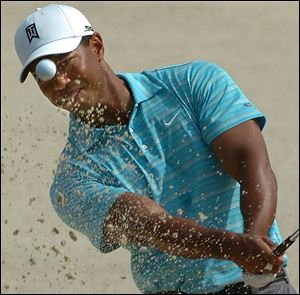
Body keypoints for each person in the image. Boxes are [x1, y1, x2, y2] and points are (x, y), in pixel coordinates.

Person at [14, 4, 297, 294]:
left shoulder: (194, 83)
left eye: (65, 62)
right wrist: (236, 248)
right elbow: (155, 227)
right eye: (42, 75)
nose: (58, 81)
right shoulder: (71, 180)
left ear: (96, 47)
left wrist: (256, 241)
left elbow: (251, 163)